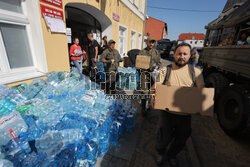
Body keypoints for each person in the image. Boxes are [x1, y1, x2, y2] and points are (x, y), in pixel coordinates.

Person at [151, 43, 204, 166]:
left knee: (182, 138)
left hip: (185, 115)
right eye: (179, 53)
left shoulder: (196, 72)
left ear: (190, 56)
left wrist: (201, 104)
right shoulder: (166, 70)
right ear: (174, 55)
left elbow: (202, 90)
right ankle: (161, 152)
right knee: (162, 138)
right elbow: (156, 86)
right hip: (167, 113)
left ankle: (171, 155)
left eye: (185, 54)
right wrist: (153, 96)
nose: (181, 56)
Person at [138, 36, 161, 116]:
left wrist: (157, 66)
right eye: (150, 42)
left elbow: (159, 63)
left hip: (153, 74)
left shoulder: (156, 52)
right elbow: (138, 64)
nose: (151, 44)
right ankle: (143, 107)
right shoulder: (142, 52)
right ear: (146, 42)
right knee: (144, 91)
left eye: (153, 42)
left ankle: (149, 106)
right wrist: (140, 66)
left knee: (152, 91)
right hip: (144, 74)